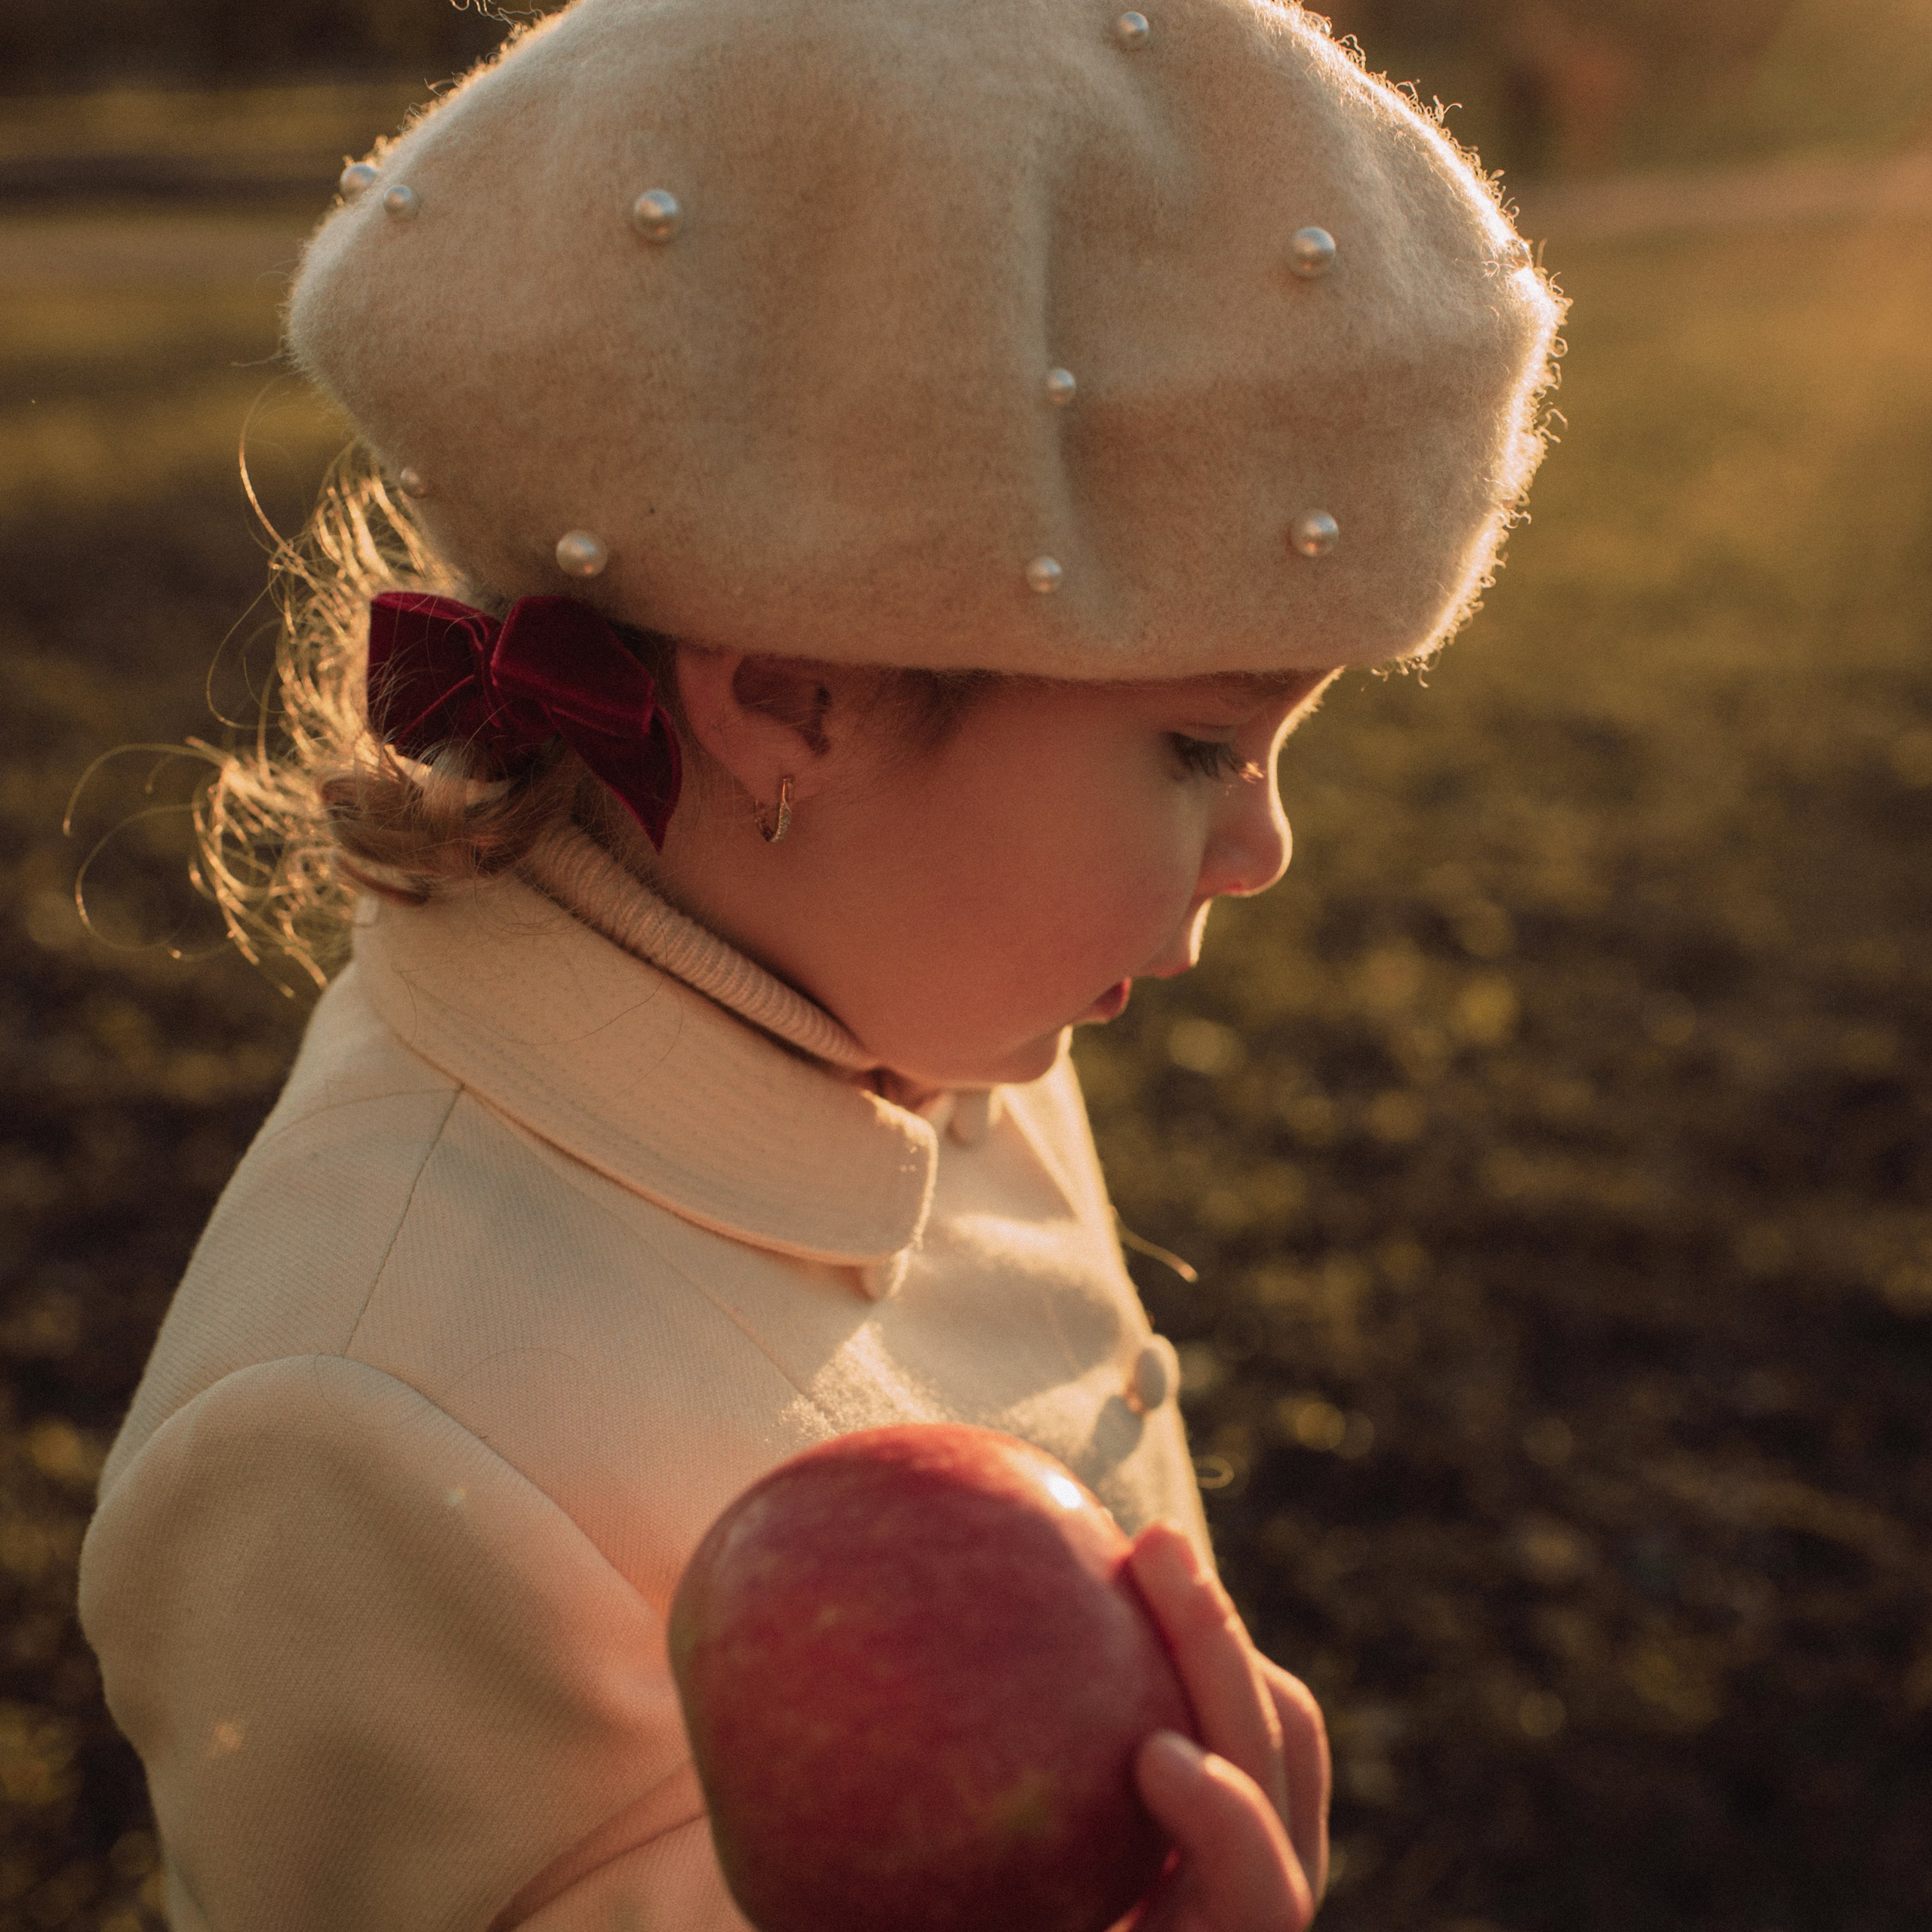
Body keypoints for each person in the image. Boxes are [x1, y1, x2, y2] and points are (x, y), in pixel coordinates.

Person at [77, 0, 1562, 1925]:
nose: (1265, 845)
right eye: (1201, 746)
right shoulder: (354, 1422)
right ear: (794, 700)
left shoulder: (890, 993)